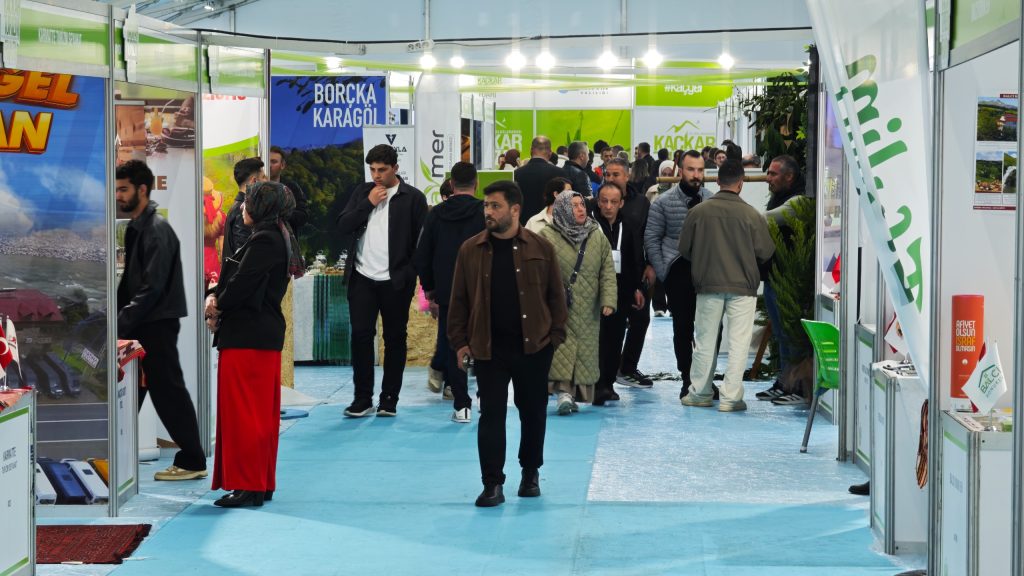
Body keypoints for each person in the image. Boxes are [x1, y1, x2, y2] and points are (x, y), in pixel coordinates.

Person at [448, 180, 567, 507]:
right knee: (491, 416)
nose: (488, 211)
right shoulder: (470, 250)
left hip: (534, 347)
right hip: (488, 348)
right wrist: (460, 343)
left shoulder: (541, 248)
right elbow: (458, 301)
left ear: (515, 210)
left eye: (495, 206)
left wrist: (554, 338)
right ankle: (492, 484)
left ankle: (530, 473)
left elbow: (556, 297)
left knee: (533, 413)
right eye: (486, 205)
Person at [206, 181, 303, 507]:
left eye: (250, 202)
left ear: (262, 207)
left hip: (248, 336)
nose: (244, 207)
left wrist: (216, 303)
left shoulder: (265, 240)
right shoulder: (277, 236)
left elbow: (241, 285)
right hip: (258, 335)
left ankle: (249, 484)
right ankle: (258, 482)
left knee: (245, 415)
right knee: (258, 415)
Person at [115, 160, 206, 481]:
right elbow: (130, 283)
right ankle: (113, 455)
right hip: (142, 323)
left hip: (157, 324)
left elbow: (152, 287)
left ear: (142, 190)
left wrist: (120, 321)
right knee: (131, 390)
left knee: (168, 391)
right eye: (117, 189)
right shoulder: (137, 228)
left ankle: (193, 459)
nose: (118, 195)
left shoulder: (156, 230)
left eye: (123, 189)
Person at [337, 144, 428, 417]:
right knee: (361, 337)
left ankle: (389, 399)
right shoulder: (362, 193)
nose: (376, 175)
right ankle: (362, 398)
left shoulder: (413, 198)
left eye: (382, 170)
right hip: (362, 277)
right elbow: (343, 225)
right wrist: (368, 203)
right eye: (373, 169)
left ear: (395, 168)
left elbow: (422, 241)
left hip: (396, 280)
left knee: (395, 339)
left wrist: (410, 272)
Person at [679, 159, 775, 412]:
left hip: (707, 284)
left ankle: (700, 393)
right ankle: (731, 398)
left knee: (705, 341)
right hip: (743, 287)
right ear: (741, 184)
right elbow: (765, 252)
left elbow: (684, 249)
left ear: (717, 181)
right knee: (739, 343)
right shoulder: (752, 215)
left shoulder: (697, 212)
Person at [414, 162, 485, 423]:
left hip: (447, 291)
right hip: (482, 289)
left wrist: (430, 289)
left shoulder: (436, 214)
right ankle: (486, 399)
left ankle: (461, 405)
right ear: (476, 183)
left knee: (456, 344)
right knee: (485, 343)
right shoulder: (485, 212)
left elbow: (422, 254)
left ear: (452, 184)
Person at [539, 193, 616, 414]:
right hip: (558, 306)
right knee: (561, 348)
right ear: (562, 209)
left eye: (582, 204)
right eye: (574, 206)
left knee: (584, 352)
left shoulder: (596, 236)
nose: (581, 209)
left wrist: (609, 299)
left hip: (589, 307)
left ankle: (575, 394)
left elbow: (607, 271)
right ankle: (563, 394)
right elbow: (538, 272)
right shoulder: (546, 236)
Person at [644, 150, 713, 398]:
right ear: (680, 171)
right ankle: (687, 379)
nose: (696, 175)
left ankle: (705, 379)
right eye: (691, 169)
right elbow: (651, 238)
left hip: (707, 273)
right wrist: (664, 272)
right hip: (677, 271)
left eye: (700, 170)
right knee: (682, 328)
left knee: (710, 329)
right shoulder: (663, 202)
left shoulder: (711, 200)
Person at [758, 154, 809, 406]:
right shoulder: (778, 198)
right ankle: (784, 382)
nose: (768, 178)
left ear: (789, 176)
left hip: (790, 282)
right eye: (768, 172)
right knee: (780, 335)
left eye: (773, 173)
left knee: (791, 336)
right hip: (774, 278)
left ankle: (798, 387)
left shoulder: (797, 201)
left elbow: (763, 220)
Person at [593, 182, 646, 406]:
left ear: (621, 203)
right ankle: (595, 385)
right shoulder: (590, 226)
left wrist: (638, 288)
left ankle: (608, 384)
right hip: (594, 292)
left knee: (615, 339)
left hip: (622, 290)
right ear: (598, 202)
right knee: (597, 339)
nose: (608, 206)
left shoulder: (630, 225)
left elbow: (635, 258)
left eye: (613, 202)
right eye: (604, 201)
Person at [513, 136, 566, 225]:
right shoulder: (560, 173)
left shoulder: (516, 174)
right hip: (552, 226)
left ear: (531, 150)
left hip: (524, 226)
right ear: (550, 152)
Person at [223, 157, 265, 261]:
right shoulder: (242, 211)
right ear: (254, 181)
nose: (266, 181)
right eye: (263, 177)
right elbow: (243, 254)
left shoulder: (239, 207)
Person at [268, 146, 309, 233]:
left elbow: (303, 216)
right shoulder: (254, 187)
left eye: (274, 162)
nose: (269, 165)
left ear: (282, 165)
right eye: (266, 162)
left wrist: (281, 212)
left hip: (285, 239)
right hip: (260, 239)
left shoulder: (292, 187)